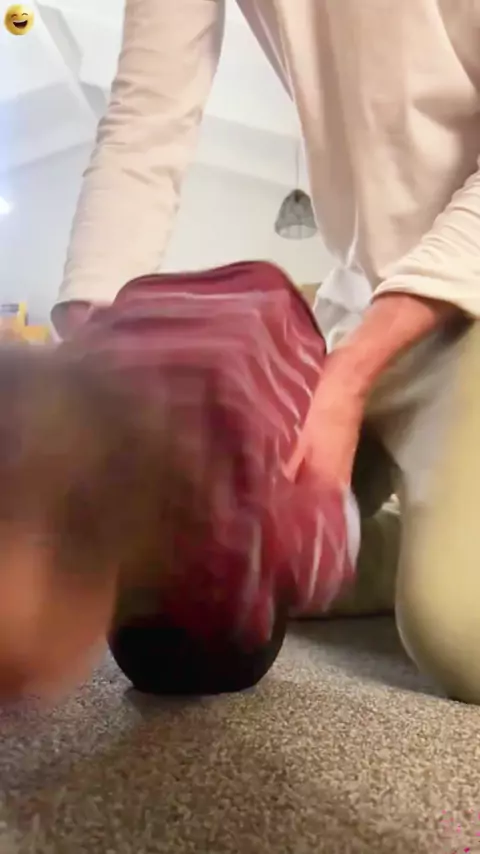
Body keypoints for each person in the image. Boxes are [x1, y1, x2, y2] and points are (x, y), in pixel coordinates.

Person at [47, 0, 480, 702]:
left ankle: (418, 539)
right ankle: (408, 537)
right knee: (221, 571)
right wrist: (91, 359)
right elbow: (146, 120)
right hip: (355, 301)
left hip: (466, 303)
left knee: (463, 639)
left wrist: (348, 381)